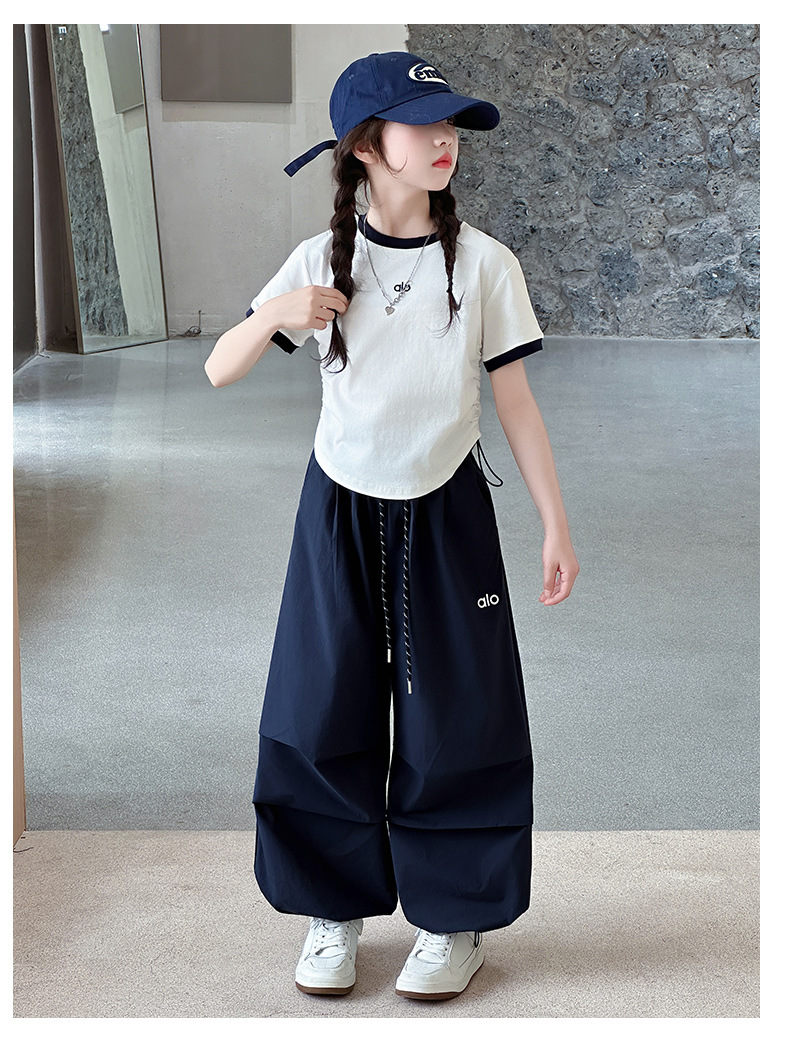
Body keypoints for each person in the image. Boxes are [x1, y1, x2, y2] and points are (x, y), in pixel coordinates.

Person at [205, 50, 580, 1003]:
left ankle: (454, 919)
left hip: (448, 511)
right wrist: (278, 311)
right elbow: (219, 367)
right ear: (369, 146)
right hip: (338, 509)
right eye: (427, 125)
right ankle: (331, 912)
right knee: (318, 706)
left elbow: (516, 402)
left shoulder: (486, 263)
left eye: (453, 125)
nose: (447, 140)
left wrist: (554, 523)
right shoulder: (321, 261)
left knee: (461, 716)